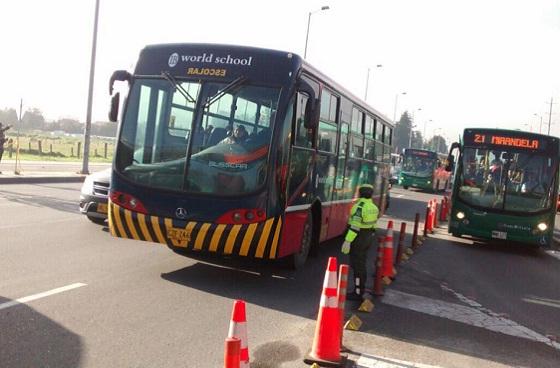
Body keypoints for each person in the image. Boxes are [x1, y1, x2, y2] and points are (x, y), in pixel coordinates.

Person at [341, 184, 379, 301]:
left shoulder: (359, 207)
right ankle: (360, 289)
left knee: (357, 266)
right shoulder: (373, 207)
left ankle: (357, 292)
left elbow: (355, 227)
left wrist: (347, 241)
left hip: (358, 238)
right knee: (361, 265)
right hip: (367, 237)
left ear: (359, 193)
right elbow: (373, 226)